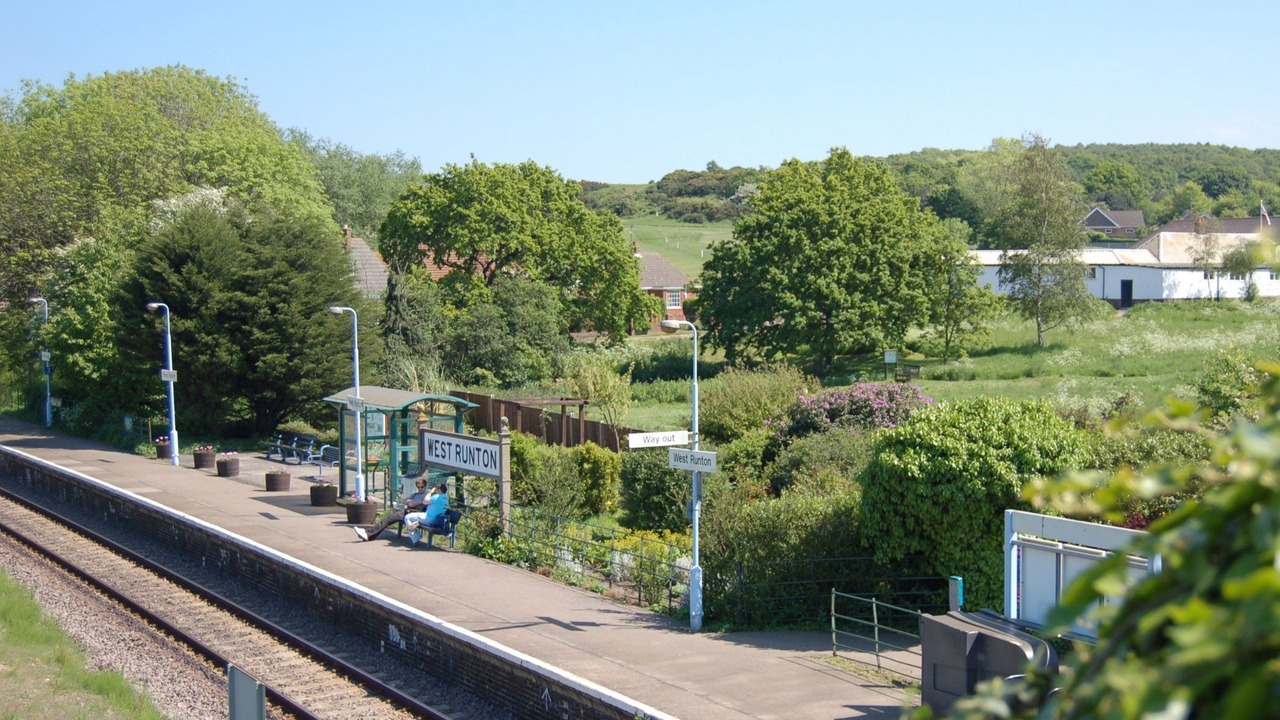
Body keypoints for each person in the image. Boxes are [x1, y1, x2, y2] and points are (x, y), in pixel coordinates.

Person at [352, 476, 429, 542]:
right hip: (407, 511)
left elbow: (411, 504)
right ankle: (368, 534)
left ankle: (368, 533)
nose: (420, 489)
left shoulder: (425, 496)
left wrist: (410, 502)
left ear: (425, 486)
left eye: (422, 487)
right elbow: (403, 501)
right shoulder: (415, 494)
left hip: (412, 513)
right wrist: (412, 502)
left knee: (388, 519)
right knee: (387, 519)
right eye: (418, 487)